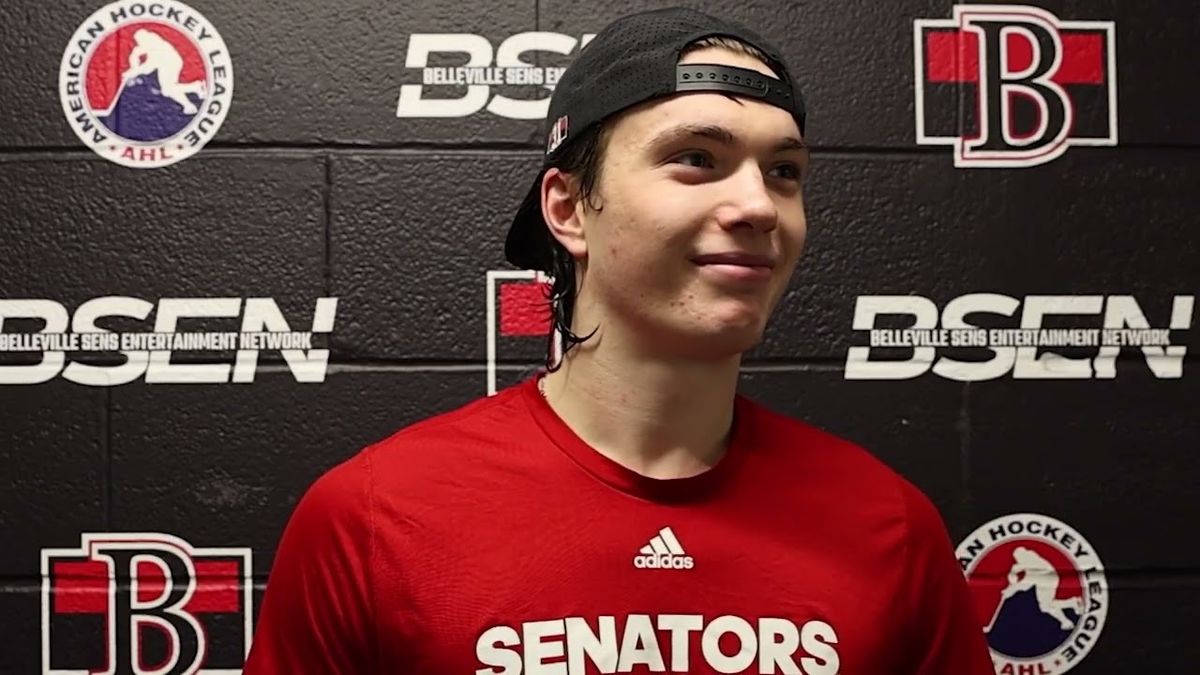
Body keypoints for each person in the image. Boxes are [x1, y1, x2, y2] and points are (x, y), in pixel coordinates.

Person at [244, 6, 995, 674]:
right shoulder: (374, 518)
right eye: (696, 158)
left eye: (784, 171)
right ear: (569, 208)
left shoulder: (889, 526)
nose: (759, 205)